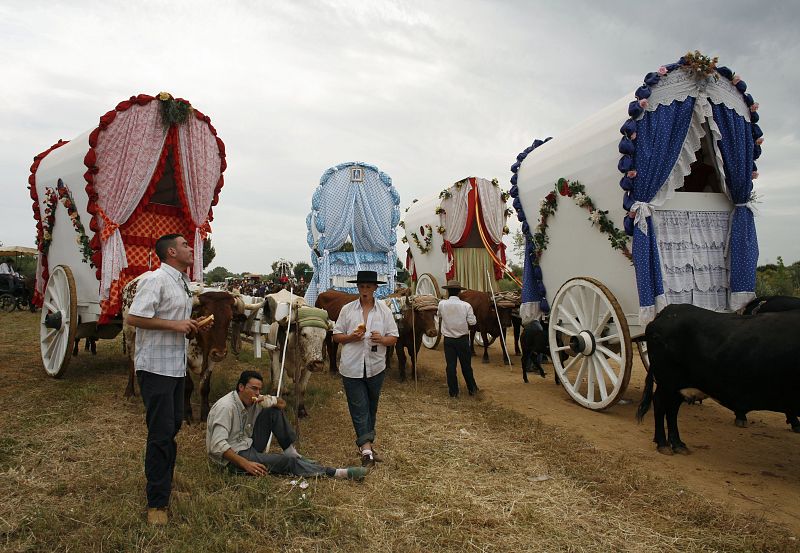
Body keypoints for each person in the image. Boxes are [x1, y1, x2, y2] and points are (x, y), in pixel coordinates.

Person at [126, 233, 207, 526]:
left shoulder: (183, 283)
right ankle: (156, 503)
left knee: (171, 428)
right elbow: (134, 318)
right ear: (172, 252)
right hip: (155, 368)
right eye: (185, 245)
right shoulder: (155, 280)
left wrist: (190, 326)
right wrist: (175, 325)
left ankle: (165, 484)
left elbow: (173, 320)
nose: (190, 248)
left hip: (174, 367)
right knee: (160, 434)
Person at [206, 370, 367, 481]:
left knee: (273, 411)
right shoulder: (226, 407)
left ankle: (291, 452)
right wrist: (245, 464)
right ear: (241, 387)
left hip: (247, 443)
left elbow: (282, 405)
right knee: (284, 463)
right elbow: (217, 445)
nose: (257, 393)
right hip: (234, 455)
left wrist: (271, 401)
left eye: (259, 389)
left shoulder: (253, 399)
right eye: (253, 389)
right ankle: (337, 472)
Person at [332, 270, 398, 467]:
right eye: (362, 286)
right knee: (359, 407)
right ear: (357, 288)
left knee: (371, 406)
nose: (365, 290)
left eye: (369, 286)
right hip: (351, 367)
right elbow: (336, 335)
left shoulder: (384, 311)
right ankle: (366, 449)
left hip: (375, 366)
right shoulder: (347, 310)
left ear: (376, 288)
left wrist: (382, 339)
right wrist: (351, 338)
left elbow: (393, 337)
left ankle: (367, 444)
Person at [436, 279, 479, 398]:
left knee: (450, 366)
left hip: (448, 340)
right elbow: (473, 321)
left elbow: (438, 315)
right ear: (459, 292)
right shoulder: (466, 306)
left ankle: (453, 392)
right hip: (462, 340)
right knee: (466, 365)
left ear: (448, 291)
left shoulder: (442, 304)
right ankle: (472, 389)